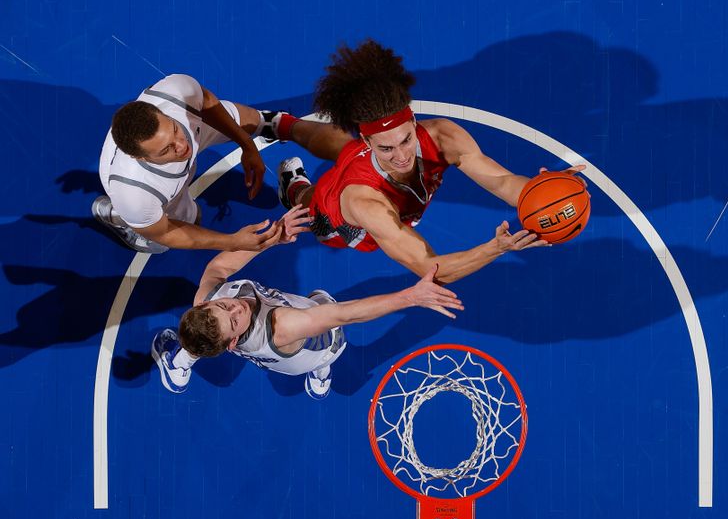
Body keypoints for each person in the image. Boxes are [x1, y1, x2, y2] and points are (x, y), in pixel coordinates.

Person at [267, 40, 587, 283]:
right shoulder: (367, 205)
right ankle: (294, 185)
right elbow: (431, 269)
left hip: (365, 163)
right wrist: (496, 248)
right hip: (340, 214)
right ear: (370, 142)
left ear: (414, 122)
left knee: (342, 145)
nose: (403, 155)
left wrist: (545, 191)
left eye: (406, 139)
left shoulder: (442, 137)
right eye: (388, 148)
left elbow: (502, 182)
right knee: (313, 212)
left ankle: (285, 125)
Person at [150, 206, 463, 398]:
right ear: (233, 342)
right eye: (233, 320)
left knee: (200, 334)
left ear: (205, 305)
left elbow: (218, 268)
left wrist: (271, 238)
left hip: (277, 356)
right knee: (322, 307)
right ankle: (322, 371)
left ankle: (180, 364)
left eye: (223, 306)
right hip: (323, 343)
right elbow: (347, 315)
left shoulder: (207, 302)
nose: (235, 306)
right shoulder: (283, 326)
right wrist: (411, 296)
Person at [93, 73, 286, 253]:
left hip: (167, 158)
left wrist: (247, 144)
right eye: (167, 148)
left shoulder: (175, 93)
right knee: (190, 223)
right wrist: (233, 242)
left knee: (243, 120)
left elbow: (208, 101)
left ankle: (267, 123)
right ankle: (122, 217)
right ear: (142, 157)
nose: (182, 145)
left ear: (163, 114)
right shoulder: (135, 195)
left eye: (175, 129)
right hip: (151, 191)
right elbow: (165, 232)